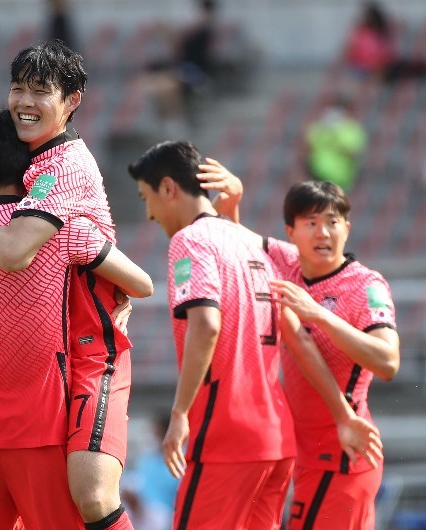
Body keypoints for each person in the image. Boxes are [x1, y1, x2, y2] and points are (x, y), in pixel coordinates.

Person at [0, 40, 148, 530]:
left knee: (91, 495)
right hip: (28, 366)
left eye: (40, 91)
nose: (24, 102)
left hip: (88, 353)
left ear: (72, 101)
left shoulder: (62, 166)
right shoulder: (27, 167)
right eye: (17, 88)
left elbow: (13, 251)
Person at [202, 172, 397, 529]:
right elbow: (230, 239)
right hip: (306, 454)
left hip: (342, 454)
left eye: (332, 222)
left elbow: (388, 362)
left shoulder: (365, 286)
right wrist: (232, 200)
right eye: (311, 222)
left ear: (347, 228)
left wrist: (319, 314)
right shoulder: (287, 261)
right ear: (291, 232)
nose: (322, 233)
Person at [127, 140, 298, 529]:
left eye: (147, 198)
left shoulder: (189, 241)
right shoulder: (253, 242)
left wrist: (179, 414)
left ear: (168, 188)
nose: (150, 215)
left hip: (226, 434)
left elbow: (205, 324)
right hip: (276, 436)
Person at [306, 96, 367, 192]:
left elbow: (353, 154)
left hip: (342, 177)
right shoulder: (320, 127)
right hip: (319, 172)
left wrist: (336, 137)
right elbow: (307, 148)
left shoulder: (352, 129)